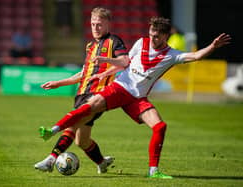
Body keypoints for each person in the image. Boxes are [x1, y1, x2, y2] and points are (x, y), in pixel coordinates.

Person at [38, 17, 231, 178]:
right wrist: (105, 74)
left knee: (160, 126)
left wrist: (213, 46)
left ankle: (153, 171)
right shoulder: (141, 43)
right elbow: (125, 63)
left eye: (156, 35)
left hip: (137, 99)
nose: (152, 38)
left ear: (165, 36)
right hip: (121, 88)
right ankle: (54, 129)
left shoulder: (172, 55)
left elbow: (196, 56)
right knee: (90, 105)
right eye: (151, 34)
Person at [34, 7, 129, 174]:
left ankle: (50, 160)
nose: (95, 28)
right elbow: (84, 73)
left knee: (71, 125)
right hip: (81, 94)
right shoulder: (90, 45)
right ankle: (102, 162)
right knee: (81, 141)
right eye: (93, 24)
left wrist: (104, 59)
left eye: (99, 24)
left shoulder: (114, 41)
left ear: (108, 24)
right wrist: (59, 83)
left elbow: (124, 61)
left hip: (99, 95)